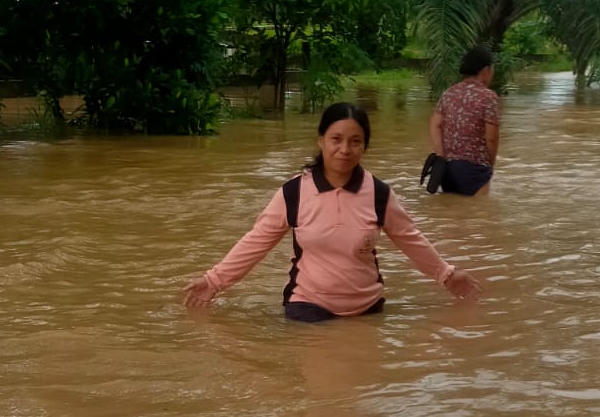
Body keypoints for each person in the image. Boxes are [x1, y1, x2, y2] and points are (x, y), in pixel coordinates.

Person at [182, 102, 479, 322]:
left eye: (355, 141)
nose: (345, 149)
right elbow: (256, 241)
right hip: (307, 306)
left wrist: (447, 275)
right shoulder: (294, 193)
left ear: (365, 146)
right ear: (321, 140)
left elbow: (410, 239)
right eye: (336, 139)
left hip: (368, 309)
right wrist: (213, 281)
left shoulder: (378, 193)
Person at [427, 45, 500, 195]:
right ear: (486, 70)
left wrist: (441, 155)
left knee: (451, 214)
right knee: (478, 215)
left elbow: (434, 124)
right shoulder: (488, 97)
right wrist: (490, 165)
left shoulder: (449, 93)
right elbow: (491, 138)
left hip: (446, 171)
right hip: (475, 169)